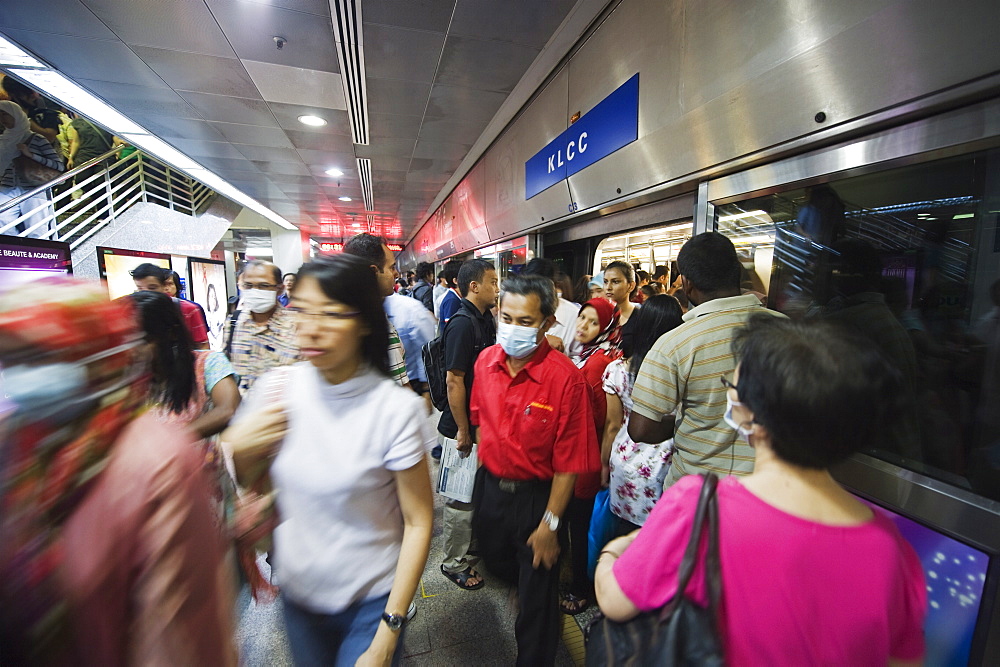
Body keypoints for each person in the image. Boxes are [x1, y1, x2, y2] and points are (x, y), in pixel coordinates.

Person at [595, 316, 927, 665]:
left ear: (753, 416)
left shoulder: (699, 508)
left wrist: (615, 552)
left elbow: (615, 601)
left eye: (733, 387)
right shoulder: (890, 546)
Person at [0, 278, 235, 665]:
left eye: (41, 356)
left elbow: (175, 634)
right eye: (14, 359)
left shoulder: (158, 462)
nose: (24, 376)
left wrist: (177, 435)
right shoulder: (18, 444)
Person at [220, 254, 434, 665]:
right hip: (299, 600)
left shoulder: (394, 410)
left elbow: (418, 520)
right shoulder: (275, 391)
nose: (311, 327)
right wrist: (243, 452)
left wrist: (390, 628)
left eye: (331, 314)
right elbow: (251, 486)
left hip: (370, 602)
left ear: (364, 322)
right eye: (301, 309)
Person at [470, 274, 599, 666]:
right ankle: (522, 586)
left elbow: (570, 461)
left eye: (525, 321)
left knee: (539, 598)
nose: (512, 329)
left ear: (546, 323)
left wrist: (551, 525)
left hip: (537, 499)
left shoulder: (564, 379)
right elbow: (480, 421)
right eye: (506, 318)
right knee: (497, 562)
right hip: (491, 489)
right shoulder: (485, 363)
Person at [628, 232, 785, 487]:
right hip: (769, 489)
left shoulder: (675, 344)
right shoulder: (787, 330)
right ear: (737, 273)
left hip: (698, 495)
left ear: (687, 284)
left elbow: (641, 429)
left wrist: (685, 422)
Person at [437, 259, 498, 590]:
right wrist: (463, 429)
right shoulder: (462, 324)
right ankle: (453, 562)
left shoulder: (484, 319)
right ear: (474, 286)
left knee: (475, 493)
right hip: (461, 425)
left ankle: (470, 547)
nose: (496, 287)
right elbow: (454, 380)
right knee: (459, 498)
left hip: (478, 423)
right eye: (492, 281)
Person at [561, 297, 623, 615]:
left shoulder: (598, 363)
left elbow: (596, 418)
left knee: (580, 523)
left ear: (607, 328)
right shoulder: (600, 354)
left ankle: (581, 588)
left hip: (586, 456)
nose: (583, 326)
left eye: (593, 322)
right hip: (587, 451)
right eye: (582, 318)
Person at [601, 295, 684, 531]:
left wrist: (604, 465)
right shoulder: (683, 372)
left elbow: (612, 426)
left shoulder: (617, 370)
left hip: (625, 460)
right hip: (667, 466)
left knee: (623, 538)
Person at [343, 233, 411, 389]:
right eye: (392, 267)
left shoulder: (345, 315)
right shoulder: (374, 325)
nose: (396, 274)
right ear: (373, 272)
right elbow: (400, 387)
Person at [224, 259, 298, 394]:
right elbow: (225, 369)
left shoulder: (297, 326)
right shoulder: (233, 322)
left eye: (263, 286)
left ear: (279, 289)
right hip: (240, 410)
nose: (255, 291)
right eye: (248, 285)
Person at [0, 101, 64, 238]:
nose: (2, 119)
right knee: (3, 225)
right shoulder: (3, 140)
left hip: (33, 188)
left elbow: (58, 165)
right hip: (7, 187)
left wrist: (31, 155)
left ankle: (39, 257)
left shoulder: (36, 139)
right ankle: (15, 254)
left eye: (5, 114)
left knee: (37, 230)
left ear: (16, 115)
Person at [131, 263, 210, 350]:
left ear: (164, 286)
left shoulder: (188, 309)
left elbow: (202, 345)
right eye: (140, 289)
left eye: (152, 288)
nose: (146, 293)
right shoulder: (133, 311)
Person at [384, 287, 437, 397]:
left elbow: (425, 350)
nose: (395, 273)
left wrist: (426, 389)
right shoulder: (362, 313)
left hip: (411, 384)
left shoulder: (410, 309)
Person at [523, 257, 579, 354]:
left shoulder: (574, 315)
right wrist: (542, 341)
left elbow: (580, 358)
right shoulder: (517, 310)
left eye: (541, 289)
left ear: (555, 286)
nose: (535, 295)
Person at [603, 261, 640, 354]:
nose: (608, 287)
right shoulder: (599, 315)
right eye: (605, 282)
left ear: (631, 286)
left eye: (615, 282)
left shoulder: (641, 318)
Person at [438, 259, 464, 326]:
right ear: (455, 281)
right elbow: (452, 329)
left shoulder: (456, 297)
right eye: (465, 276)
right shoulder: (452, 300)